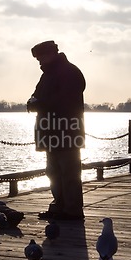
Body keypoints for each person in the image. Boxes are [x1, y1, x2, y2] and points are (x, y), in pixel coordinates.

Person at [27, 40, 86, 221]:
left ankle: (72, 210)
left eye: (40, 57)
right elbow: (37, 95)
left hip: (66, 131)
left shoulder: (70, 72)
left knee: (69, 172)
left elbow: (65, 101)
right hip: (51, 132)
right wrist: (33, 102)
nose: (39, 62)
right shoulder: (48, 75)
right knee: (53, 172)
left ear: (51, 54)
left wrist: (39, 104)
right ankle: (59, 206)